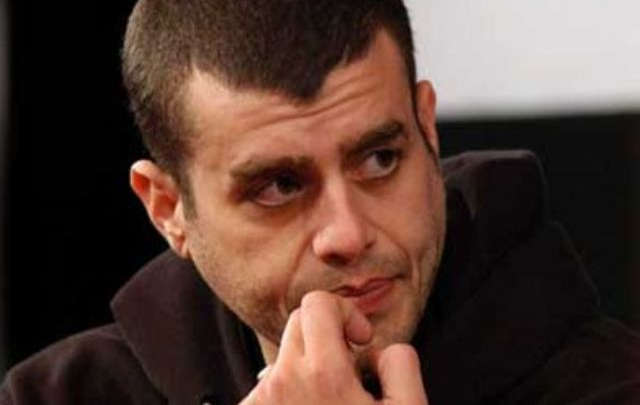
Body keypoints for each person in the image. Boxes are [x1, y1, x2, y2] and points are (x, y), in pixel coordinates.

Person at [2, 0, 640, 404]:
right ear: (168, 209)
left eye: (379, 159)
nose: (348, 233)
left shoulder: (611, 384)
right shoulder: (57, 395)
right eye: (279, 186)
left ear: (427, 127)